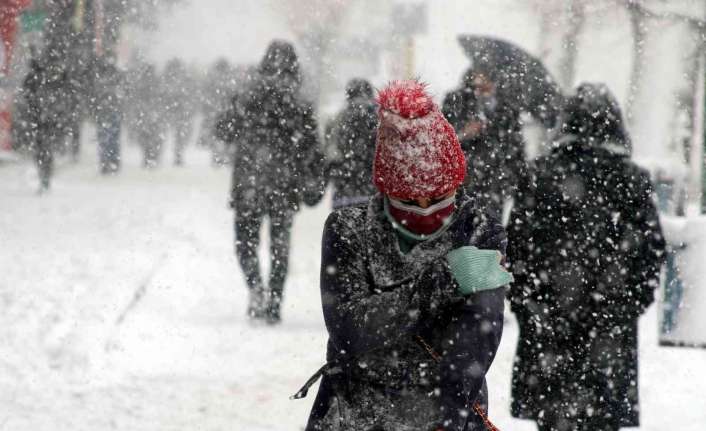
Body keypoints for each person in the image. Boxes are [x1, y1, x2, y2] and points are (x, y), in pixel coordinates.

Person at [301, 80, 511, 431]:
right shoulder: (347, 230)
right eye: (411, 202)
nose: (427, 211)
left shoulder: (479, 230)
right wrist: (445, 279)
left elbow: (477, 336)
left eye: (440, 198)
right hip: (354, 411)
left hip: (447, 411)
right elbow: (350, 329)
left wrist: (447, 415)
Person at [506, 83, 666, 431]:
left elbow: (514, 250)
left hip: (548, 324)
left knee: (553, 417)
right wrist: (625, 306)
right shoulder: (630, 179)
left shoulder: (538, 175)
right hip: (608, 329)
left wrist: (530, 304)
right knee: (601, 418)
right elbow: (650, 252)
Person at [215, 40, 324, 324]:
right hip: (284, 183)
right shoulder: (299, 103)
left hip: (249, 179)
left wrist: (236, 109)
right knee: (280, 246)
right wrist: (314, 179)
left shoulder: (247, 96)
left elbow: (223, 130)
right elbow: (313, 147)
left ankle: (256, 288)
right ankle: (274, 301)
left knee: (245, 242)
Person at [442, 69, 527, 218]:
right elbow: (441, 140)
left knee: (488, 233)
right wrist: (462, 133)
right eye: (479, 76)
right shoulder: (456, 101)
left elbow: (516, 149)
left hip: (494, 186)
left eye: (487, 77)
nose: (482, 83)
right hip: (462, 183)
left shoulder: (507, 109)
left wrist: (508, 181)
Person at [324, 78, 378, 209]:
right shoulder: (380, 120)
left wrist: (320, 185)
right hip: (374, 196)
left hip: (343, 195)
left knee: (343, 227)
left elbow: (329, 157)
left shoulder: (336, 121)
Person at [163, 58, 196, 166]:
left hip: (175, 111)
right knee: (180, 135)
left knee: (177, 135)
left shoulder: (168, 79)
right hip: (179, 112)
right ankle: (177, 154)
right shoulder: (183, 79)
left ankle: (176, 154)